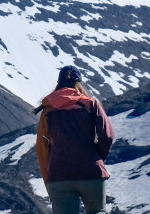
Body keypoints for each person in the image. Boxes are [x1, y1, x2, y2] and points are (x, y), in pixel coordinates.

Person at [34, 65, 114, 214]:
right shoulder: (91, 104)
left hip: (59, 175)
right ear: (79, 84)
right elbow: (107, 136)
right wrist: (97, 159)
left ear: (59, 83)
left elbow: (42, 149)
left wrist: (49, 179)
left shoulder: (47, 110)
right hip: (91, 170)